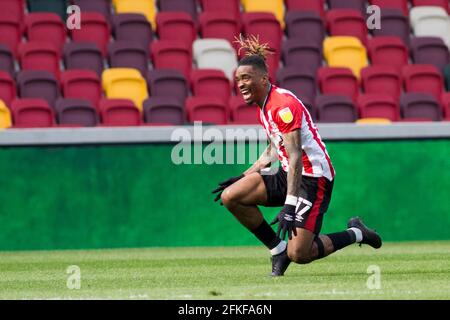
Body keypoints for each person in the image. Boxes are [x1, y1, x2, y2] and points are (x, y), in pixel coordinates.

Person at [212, 35, 382, 277]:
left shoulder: (282, 107)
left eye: (246, 78)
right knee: (232, 196)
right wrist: (244, 174)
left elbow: (294, 158)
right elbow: (275, 147)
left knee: (300, 254)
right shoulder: (265, 104)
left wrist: (290, 206)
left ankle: (357, 232)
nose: (240, 84)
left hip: (312, 178)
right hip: (288, 172)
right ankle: (277, 250)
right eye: (238, 79)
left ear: (263, 79)